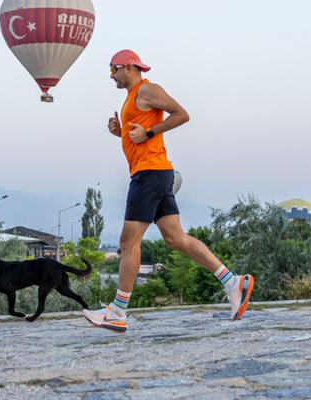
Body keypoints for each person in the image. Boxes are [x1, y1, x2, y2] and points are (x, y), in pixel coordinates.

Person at [82, 49, 253, 333]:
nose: (111, 76)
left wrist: (148, 133)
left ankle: (117, 311)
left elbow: (182, 115)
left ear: (127, 67)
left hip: (149, 174)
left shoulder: (147, 89)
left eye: (112, 70)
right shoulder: (132, 97)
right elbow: (140, 134)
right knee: (176, 239)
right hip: (154, 171)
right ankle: (232, 282)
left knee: (128, 242)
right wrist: (121, 132)